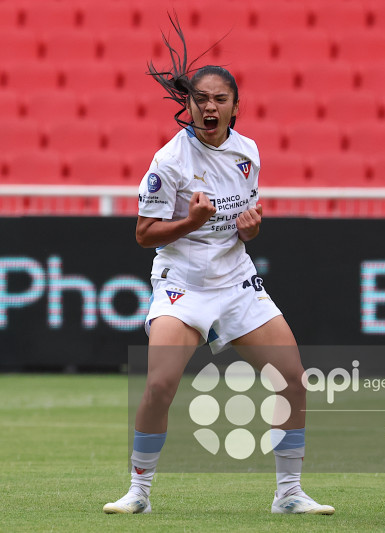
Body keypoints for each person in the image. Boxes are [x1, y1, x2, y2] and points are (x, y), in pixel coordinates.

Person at [103, 16, 333, 516]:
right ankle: (139, 493)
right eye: (200, 99)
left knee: (292, 378)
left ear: (234, 105)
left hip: (236, 283)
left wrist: (250, 229)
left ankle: (289, 494)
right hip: (183, 285)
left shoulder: (248, 151)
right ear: (188, 105)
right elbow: (144, 235)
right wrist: (191, 221)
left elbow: (244, 226)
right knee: (160, 384)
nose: (209, 106)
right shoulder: (168, 161)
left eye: (219, 99)